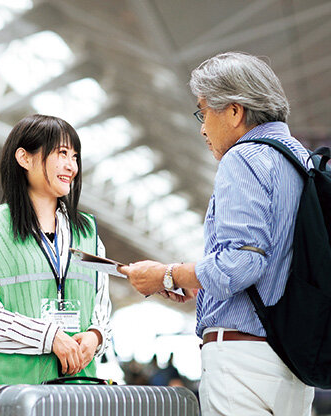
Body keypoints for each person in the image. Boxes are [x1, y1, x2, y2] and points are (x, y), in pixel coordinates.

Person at [119, 52, 315, 415]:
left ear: (235, 112)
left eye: (204, 111)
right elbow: (273, 262)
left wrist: (167, 274)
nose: (202, 127)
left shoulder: (244, 158)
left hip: (243, 364)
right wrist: (200, 281)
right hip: (292, 361)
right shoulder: (299, 160)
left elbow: (241, 264)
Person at [0, 114, 112, 386]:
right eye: (62, 153)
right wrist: (48, 336)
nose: (71, 166)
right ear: (24, 158)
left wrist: (96, 335)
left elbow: (101, 305)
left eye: (75, 156)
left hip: (77, 391)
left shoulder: (89, 233)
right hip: (14, 393)